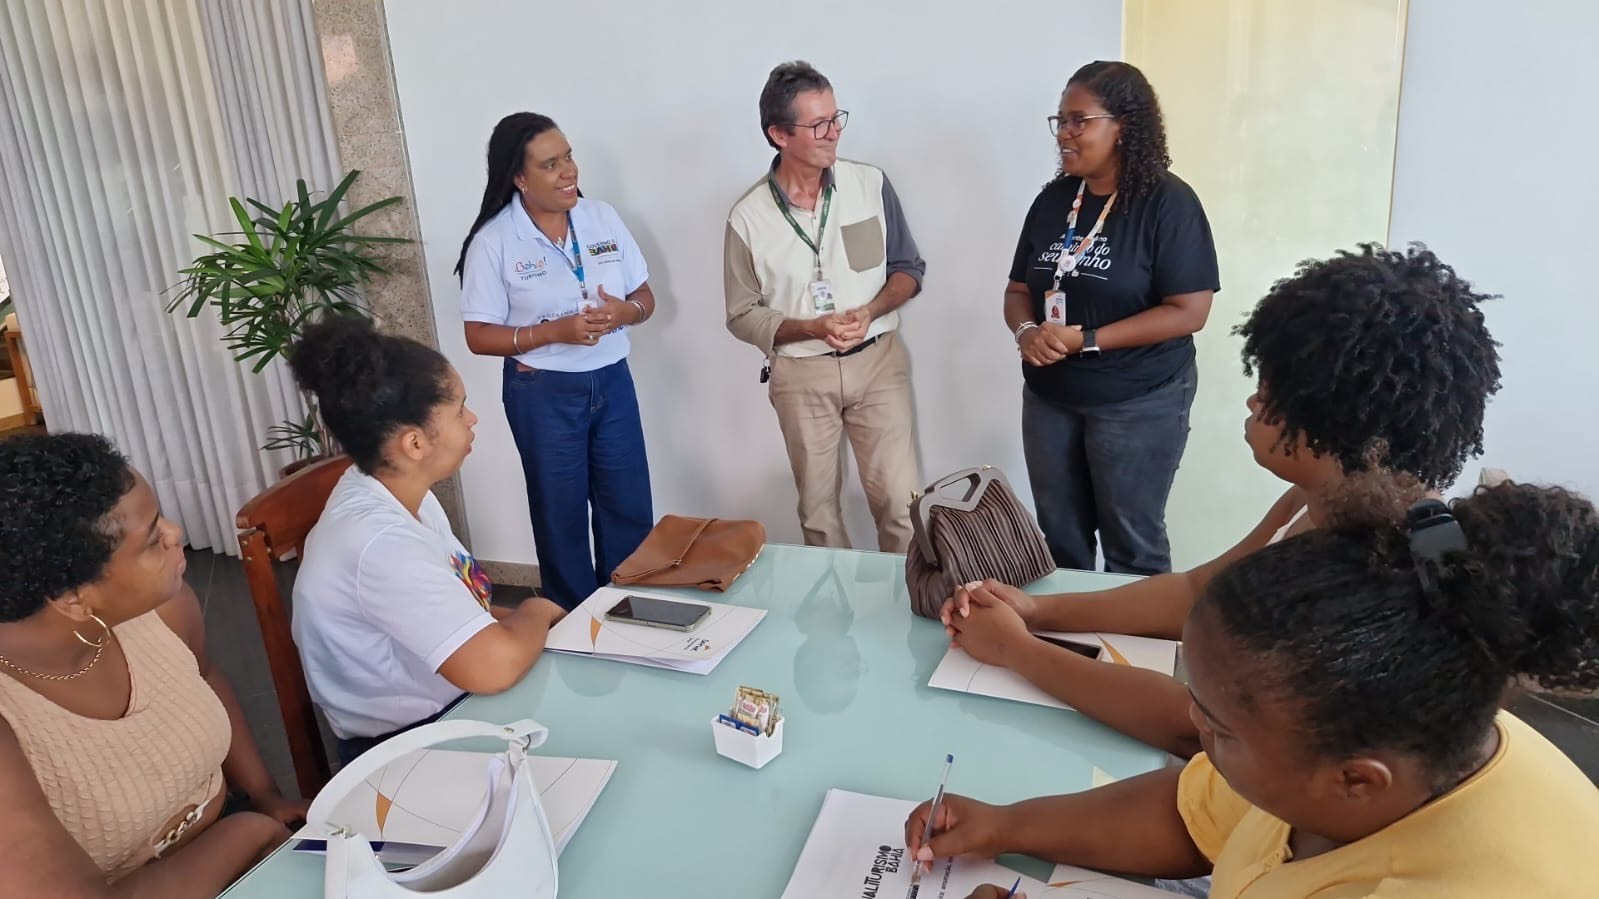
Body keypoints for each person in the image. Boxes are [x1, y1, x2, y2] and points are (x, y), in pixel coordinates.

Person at [910, 479, 1599, 899]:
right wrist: (1005, 824)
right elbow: (1195, 814)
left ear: (1356, 780)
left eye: (1217, 728)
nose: (1190, 732)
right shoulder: (1373, 737)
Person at [944, 244, 1502, 757]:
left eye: (1274, 391)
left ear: (1341, 423)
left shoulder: (1363, 581)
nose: (1253, 398)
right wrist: (1038, 611)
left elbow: (1199, 727)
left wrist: (1020, 652)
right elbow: (1195, 593)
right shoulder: (1311, 501)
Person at [0, 433, 305, 895]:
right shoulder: (14, 715)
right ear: (75, 600)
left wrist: (264, 796)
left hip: (239, 846)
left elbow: (203, 676)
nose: (176, 534)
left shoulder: (164, 609)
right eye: (151, 539)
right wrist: (246, 832)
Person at [289, 317, 567, 764]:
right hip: (406, 750)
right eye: (459, 411)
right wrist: (535, 610)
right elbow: (492, 667)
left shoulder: (395, 490)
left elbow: (455, 605)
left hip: (452, 709)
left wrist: (514, 624)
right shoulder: (379, 542)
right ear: (414, 443)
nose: (472, 419)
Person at [1008, 60, 1218, 575]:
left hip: (1138, 399)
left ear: (1124, 124)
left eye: (1079, 120)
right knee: (1059, 538)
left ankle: (1133, 654)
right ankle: (1067, 646)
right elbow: (1017, 289)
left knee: (1132, 545)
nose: (1065, 133)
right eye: (1060, 120)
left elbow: (1191, 311)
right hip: (1051, 399)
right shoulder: (1054, 200)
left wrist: (1088, 339)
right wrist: (1027, 329)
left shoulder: (1169, 204)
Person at [456, 112, 657, 609]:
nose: (569, 171)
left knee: (627, 506)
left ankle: (631, 615)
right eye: (551, 164)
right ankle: (575, 626)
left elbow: (645, 297)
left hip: (612, 382)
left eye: (568, 157)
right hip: (542, 392)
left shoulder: (602, 217)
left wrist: (624, 312)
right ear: (519, 179)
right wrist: (554, 333)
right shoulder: (495, 241)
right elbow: (478, 336)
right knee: (560, 515)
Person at [724, 60, 927, 552]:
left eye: (836, 118)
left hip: (879, 362)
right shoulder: (747, 217)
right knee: (818, 512)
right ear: (778, 134)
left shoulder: (870, 184)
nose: (833, 133)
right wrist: (810, 327)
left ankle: (909, 612)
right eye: (818, 124)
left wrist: (871, 310)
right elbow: (742, 313)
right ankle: (836, 623)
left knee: (902, 505)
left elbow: (908, 269)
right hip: (800, 376)